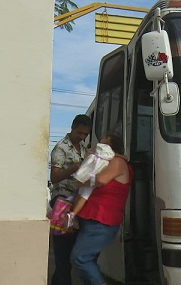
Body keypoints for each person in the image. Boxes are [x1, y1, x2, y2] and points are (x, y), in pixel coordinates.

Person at [70, 132, 133, 285]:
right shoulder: (104, 162)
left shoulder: (117, 162)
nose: (98, 146)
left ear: (110, 147)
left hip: (102, 219)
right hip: (93, 217)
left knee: (80, 257)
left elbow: (100, 180)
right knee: (88, 259)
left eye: (103, 143)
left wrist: (81, 180)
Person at [49, 114, 92, 285]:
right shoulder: (61, 148)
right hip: (62, 201)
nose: (82, 137)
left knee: (68, 252)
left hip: (75, 200)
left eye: (85, 135)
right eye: (79, 133)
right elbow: (54, 177)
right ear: (72, 127)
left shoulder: (82, 146)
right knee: (62, 250)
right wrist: (76, 167)